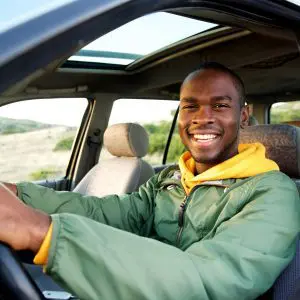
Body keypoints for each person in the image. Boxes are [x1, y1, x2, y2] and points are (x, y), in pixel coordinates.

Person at [0, 62, 299, 300]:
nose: (202, 117)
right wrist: (18, 195)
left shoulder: (272, 193)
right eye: (190, 106)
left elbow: (210, 279)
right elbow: (106, 213)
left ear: (244, 116)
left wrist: (44, 234)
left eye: (220, 106)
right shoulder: (168, 180)